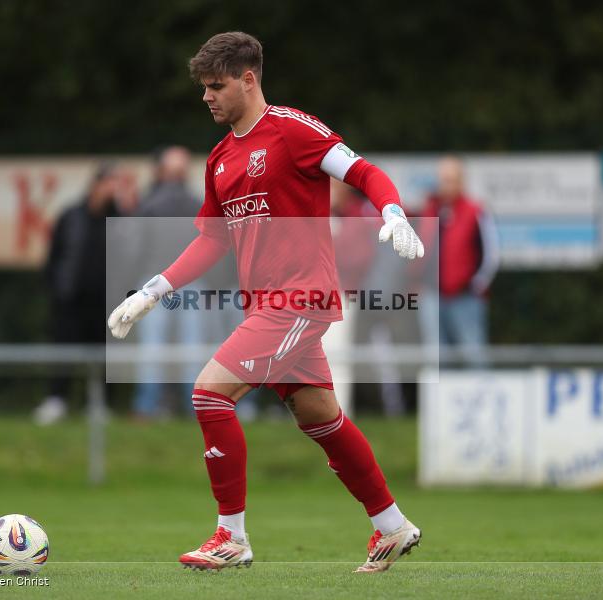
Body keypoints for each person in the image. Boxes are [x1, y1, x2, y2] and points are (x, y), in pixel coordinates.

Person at [107, 32, 423, 573]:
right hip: (266, 306)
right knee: (321, 418)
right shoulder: (219, 158)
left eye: (216, 85)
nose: (206, 96)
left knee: (209, 393)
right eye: (204, 87)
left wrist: (393, 212)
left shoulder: (292, 130)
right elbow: (212, 240)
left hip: (300, 298)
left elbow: (364, 172)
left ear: (248, 79)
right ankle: (392, 526)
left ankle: (231, 536)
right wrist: (153, 291)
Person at [35, 163, 137, 425]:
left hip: (107, 301)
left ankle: (99, 404)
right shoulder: (71, 216)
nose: (112, 191)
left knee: (106, 354)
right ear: (95, 185)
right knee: (63, 350)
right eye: (108, 184)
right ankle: (57, 400)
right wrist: (57, 288)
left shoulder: (122, 220)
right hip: (71, 299)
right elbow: (55, 257)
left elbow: (129, 260)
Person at [131, 146, 207, 418]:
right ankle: (196, 407)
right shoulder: (197, 202)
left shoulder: (147, 204)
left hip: (156, 281)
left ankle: (147, 406)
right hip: (189, 281)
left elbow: (135, 247)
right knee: (191, 347)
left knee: (154, 347)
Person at [418, 157, 499, 367]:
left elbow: (490, 255)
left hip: (465, 297)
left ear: (462, 181)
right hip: (432, 295)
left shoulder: (475, 211)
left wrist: (474, 286)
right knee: (435, 358)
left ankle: (481, 389)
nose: (446, 185)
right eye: (443, 180)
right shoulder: (429, 209)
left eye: (451, 180)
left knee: (474, 353)